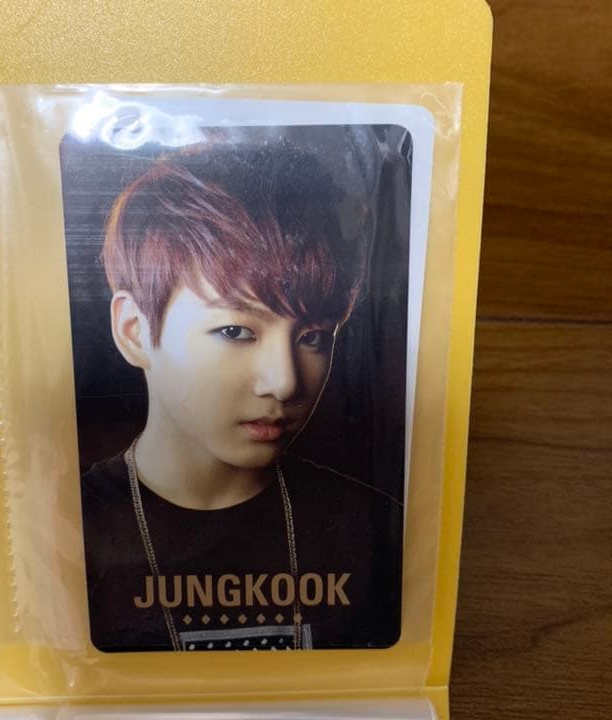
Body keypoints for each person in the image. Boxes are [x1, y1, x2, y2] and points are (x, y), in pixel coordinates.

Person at [80, 142, 402, 652]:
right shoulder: (66, 530)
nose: (285, 382)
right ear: (134, 331)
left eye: (313, 336)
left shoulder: (376, 531)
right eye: (235, 331)